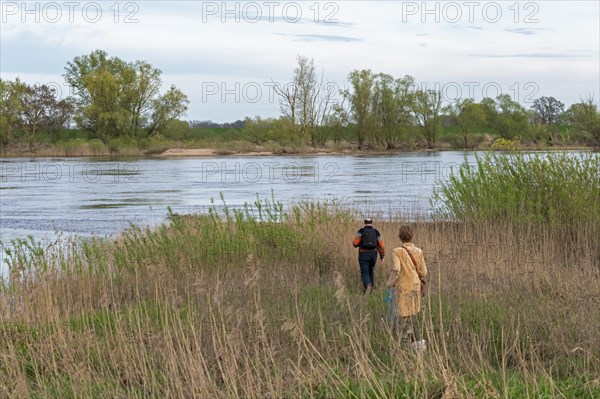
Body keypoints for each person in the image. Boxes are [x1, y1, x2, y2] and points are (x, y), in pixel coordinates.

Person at [385, 225, 427, 341]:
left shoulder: (397, 251)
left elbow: (396, 270)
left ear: (400, 237)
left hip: (402, 286)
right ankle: (409, 334)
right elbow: (424, 271)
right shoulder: (419, 251)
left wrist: (389, 284)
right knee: (411, 311)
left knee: (401, 313)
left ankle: (406, 337)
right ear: (411, 236)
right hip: (415, 285)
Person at [353, 218, 385, 295]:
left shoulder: (361, 231)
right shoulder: (376, 232)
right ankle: (370, 291)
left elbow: (355, 243)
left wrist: (356, 242)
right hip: (374, 255)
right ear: (371, 223)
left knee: (364, 272)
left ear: (364, 223)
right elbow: (381, 245)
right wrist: (382, 256)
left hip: (363, 254)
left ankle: (368, 286)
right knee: (371, 270)